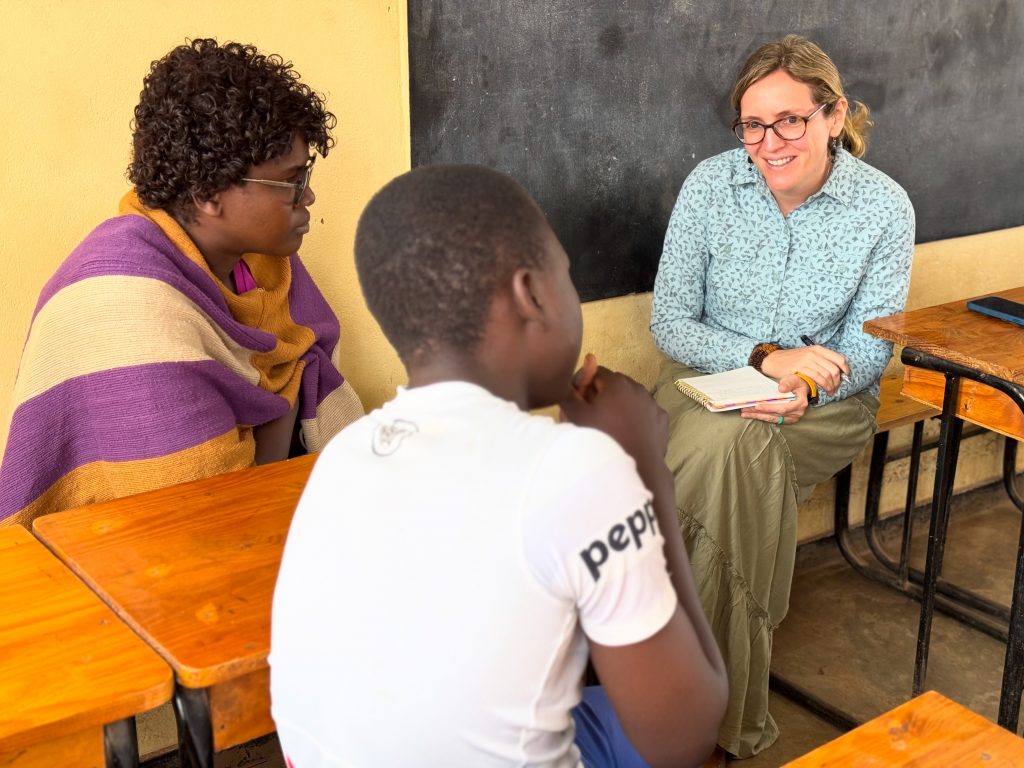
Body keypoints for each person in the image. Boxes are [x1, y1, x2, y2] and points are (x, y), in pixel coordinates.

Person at [270, 164, 728, 767]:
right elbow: (683, 741)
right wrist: (643, 468)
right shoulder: (580, 469)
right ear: (531, 294)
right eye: (566, 275)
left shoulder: (345, 453)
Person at [650, 35, 915, 758]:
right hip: (704, 387)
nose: (769, 142)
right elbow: (670, 320)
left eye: (790, 120)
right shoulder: (711, 186)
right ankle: (710, 710)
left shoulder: (884, 209)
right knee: (729, 447)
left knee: (730, 453)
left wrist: (802, 384)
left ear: (834, 115)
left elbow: (870, 348)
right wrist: (767, 360)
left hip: (827, 408)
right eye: (753, 124)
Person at [0, 39, 363, 527]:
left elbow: (296, 376)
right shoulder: (127, 306)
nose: (310, 195)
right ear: (210, 193)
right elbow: (199, 521)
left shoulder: (259, 269)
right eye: (292, 181)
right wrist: (283, 407)